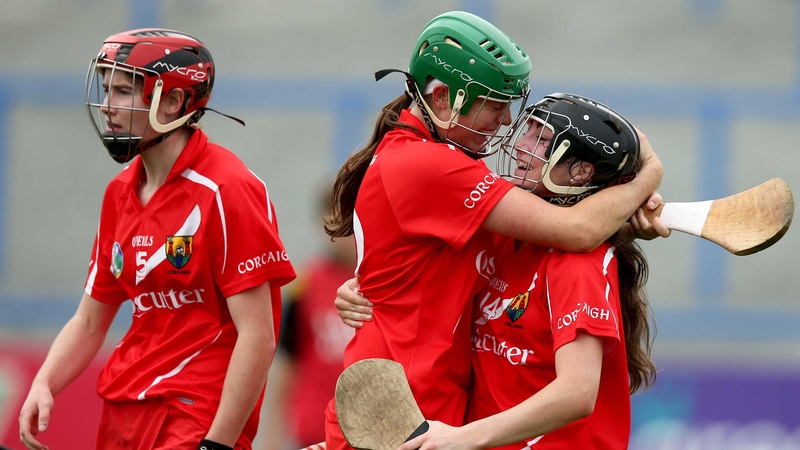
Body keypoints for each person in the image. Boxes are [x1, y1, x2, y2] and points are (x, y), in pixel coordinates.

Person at [322, 10, 664, 450]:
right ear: (443, 97)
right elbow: (578, 228)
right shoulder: (431, 165)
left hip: (426, 416)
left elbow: (569, 232)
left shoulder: (436, 165)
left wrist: (627, 222)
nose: (507, 124)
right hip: (400, 416)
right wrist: (648, 175)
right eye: (496, 104)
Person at [18, 29, 296, 450]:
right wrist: (44, 383)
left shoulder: (227, 189)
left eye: (123, 91)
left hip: (195, 415)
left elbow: (258, 336)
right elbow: (90, 321)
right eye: (107, 89)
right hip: (123, 408)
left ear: (173, 102)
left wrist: (218, 443)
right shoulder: (119, 192)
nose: (107, 106)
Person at [395, 93, 658, 449]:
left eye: (541, 139)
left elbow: (577, 392)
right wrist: (359, 290)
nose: (520, 145)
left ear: (580, 172)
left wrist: (463, 438)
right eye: (528, 130)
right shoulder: (502, 238)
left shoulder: (578, 264)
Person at [260, 184, 357, 450]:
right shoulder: (304, 286)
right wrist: (272, 436)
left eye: (350, 225)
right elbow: (287, 364)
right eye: (335, 225)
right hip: (315, 430)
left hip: (369, 429)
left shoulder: (386, 285)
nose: (343, 236)